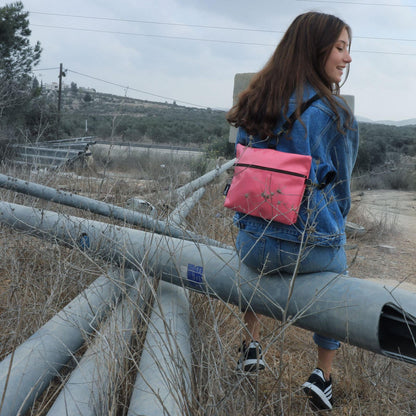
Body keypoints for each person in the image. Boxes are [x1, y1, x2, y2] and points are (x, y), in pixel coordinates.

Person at [226, 11, 359, 411]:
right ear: (315, 49)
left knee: (249, 248)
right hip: (309, 250)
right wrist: (333, 228)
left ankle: (250, 346)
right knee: (338, 272)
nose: (347, 58)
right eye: (340, 47)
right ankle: (323, 375)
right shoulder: (336, 114)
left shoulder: (255, 101)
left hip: (253, 246)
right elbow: (342, 193)